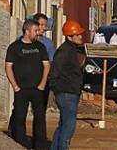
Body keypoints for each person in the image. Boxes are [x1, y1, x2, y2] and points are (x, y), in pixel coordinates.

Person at [6, 18, 51, 149]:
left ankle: (40, 145)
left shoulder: (40, 47)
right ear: (27, 31)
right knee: (19, 117)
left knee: (40, 118)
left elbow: (46, 65)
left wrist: (42, 84)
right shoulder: (14, 47)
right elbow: (8, 67)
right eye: (35, 30)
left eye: (38, 30)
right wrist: (15, 86)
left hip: (37, 89)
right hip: (21, 89)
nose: (38, 33)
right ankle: (20, 143)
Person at [48, 19, 87, 150]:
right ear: (70, 36)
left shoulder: (72, 50)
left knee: (64, 124)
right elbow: (55, 72)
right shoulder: (64, 51)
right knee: (69, 126)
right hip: (66, 93)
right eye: (78, 34)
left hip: (70, 92)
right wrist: (57, 89)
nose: (81, 37)